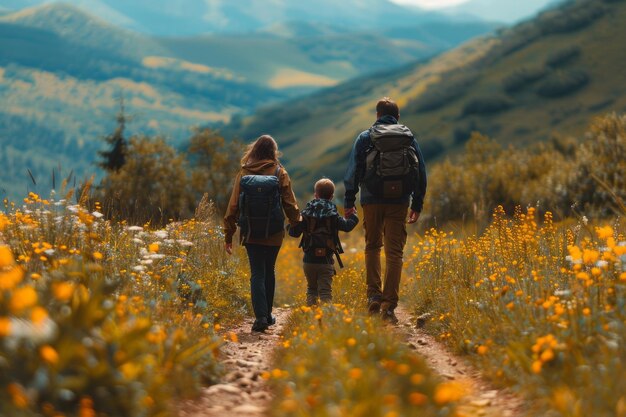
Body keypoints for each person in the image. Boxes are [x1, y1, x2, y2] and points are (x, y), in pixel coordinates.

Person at [343, 97, 427, 324]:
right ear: (397, 117)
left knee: (372, 246)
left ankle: (373, 295)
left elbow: (353, 172)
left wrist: (349, 201)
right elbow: (421, 172)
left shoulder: (365, 137)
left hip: (371, 199)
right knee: (395, 253)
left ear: (377, 115)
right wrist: (417, 204)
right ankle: (389, 307)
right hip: (399, 200)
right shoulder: (408, 138)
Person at [224, 135, 300, 332]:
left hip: (249, 231)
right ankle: (267, 314)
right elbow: (290, 204)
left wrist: (228, 234)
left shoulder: (243, 173)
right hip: (274, 231)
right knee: (269, 270)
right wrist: (296, 223)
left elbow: (232, 207)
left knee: (257, 272)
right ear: (273, 152)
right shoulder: (279, 172)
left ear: (254, 151)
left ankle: (260, 317)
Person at [288, 178, 359, 306]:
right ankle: (326, 320)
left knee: (311, 290)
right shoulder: (333, 214)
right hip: (326, 261)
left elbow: (294, 233)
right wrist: (354, 215)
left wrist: (291, 223)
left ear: (315, 195)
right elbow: (348, 226)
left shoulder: (306, 213)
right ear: (331, 196)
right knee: (325, 293)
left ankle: (311, 318)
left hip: (308, 260)